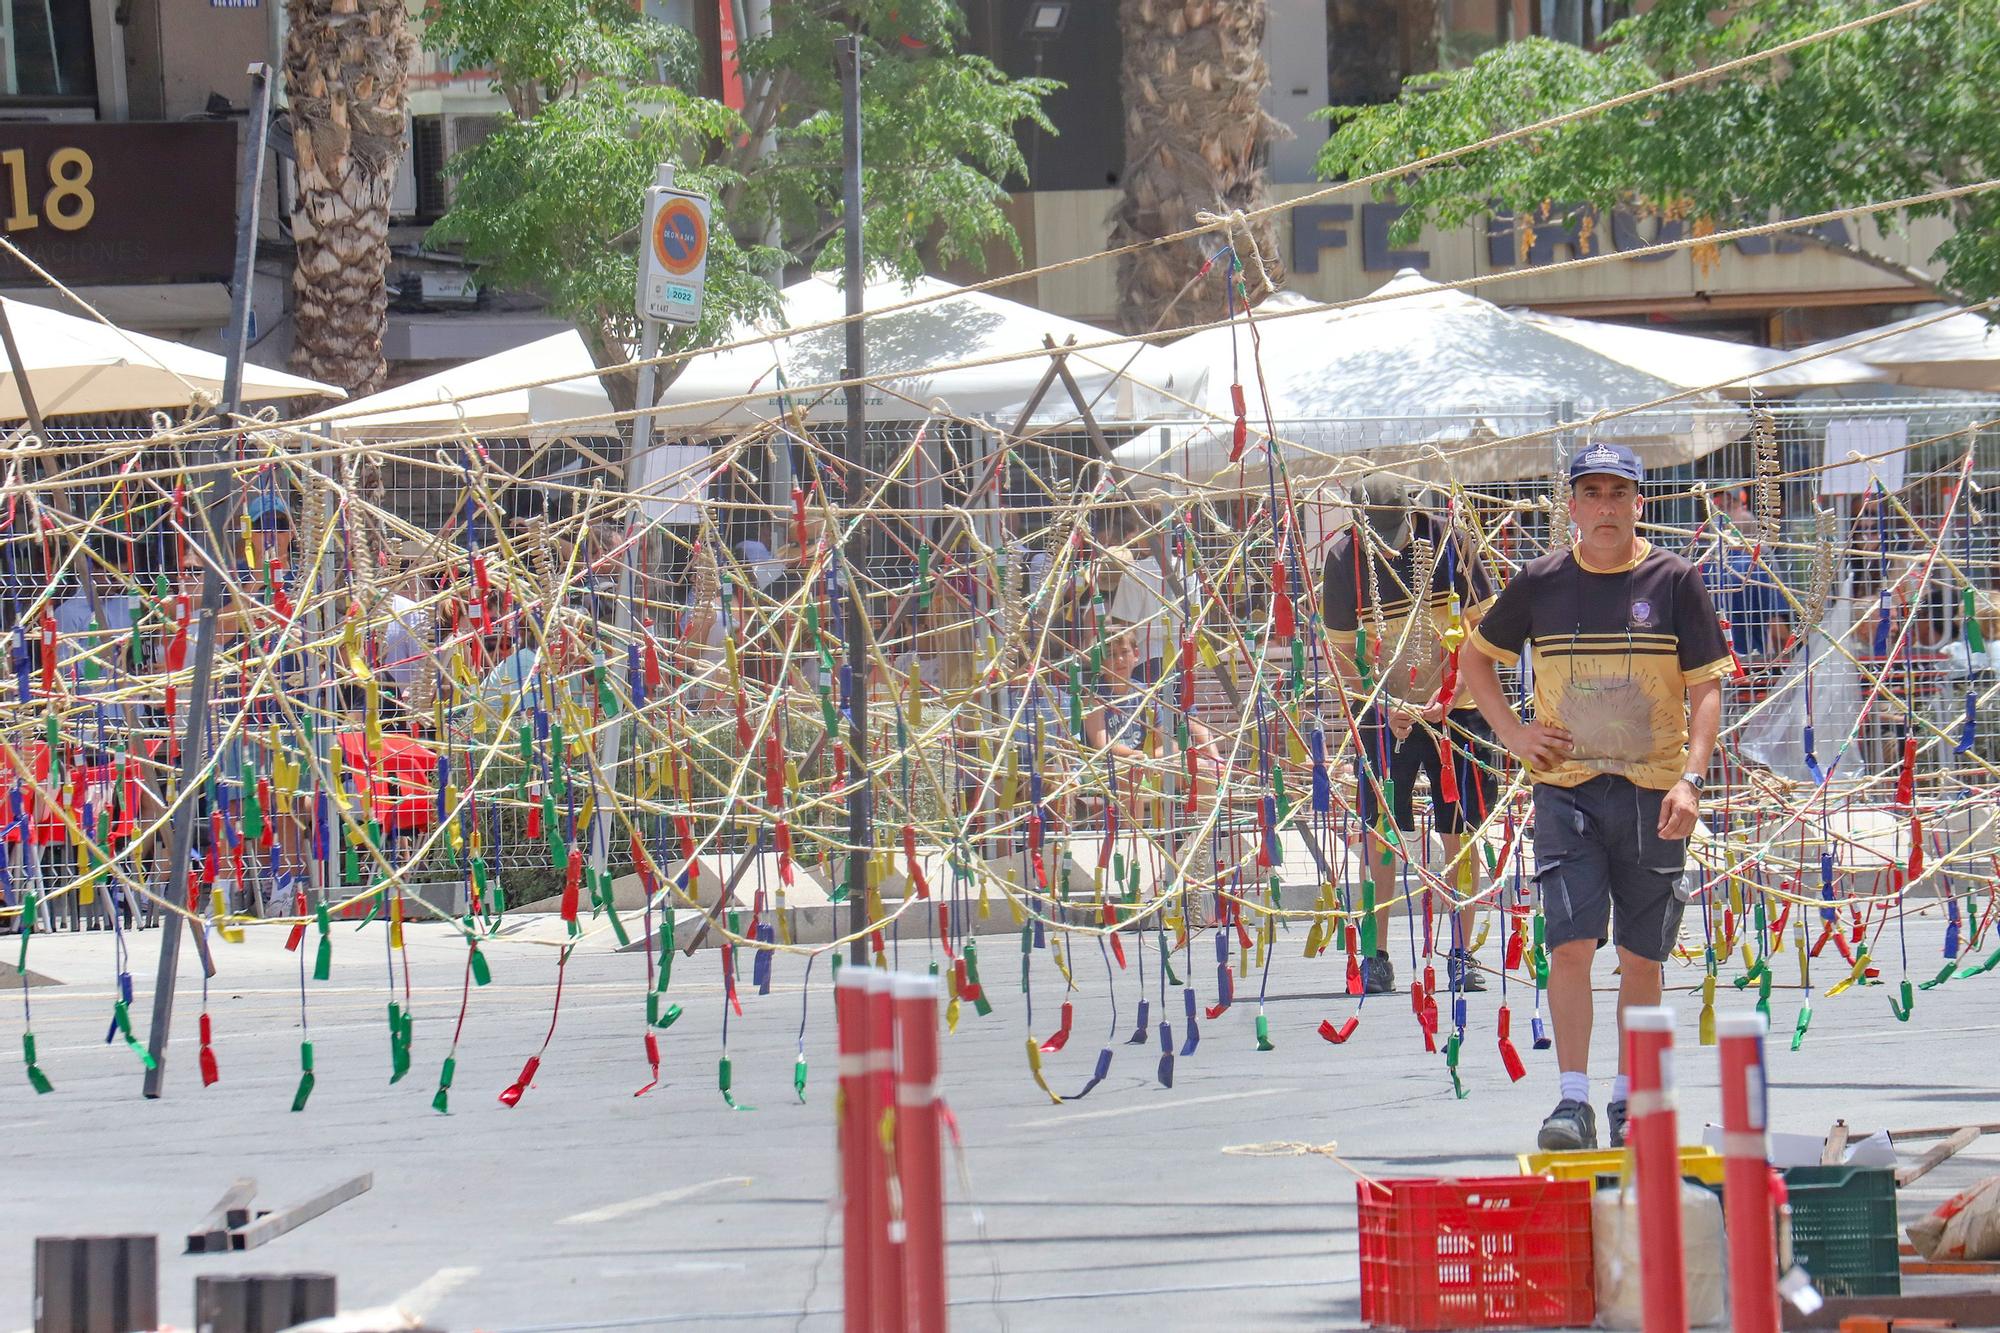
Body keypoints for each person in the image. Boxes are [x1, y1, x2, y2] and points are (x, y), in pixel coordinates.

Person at [1461, 442, 1730, 1151]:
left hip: (1654, 793)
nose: (1606, 506)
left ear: (1640, 502)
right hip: (1567, 791)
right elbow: (1476, 658)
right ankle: (1572, 1100)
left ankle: (1630, 1099)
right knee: (1571, 944)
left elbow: (1707, 686)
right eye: (1593, 492)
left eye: (1620, 492)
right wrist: (1513, 733)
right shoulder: (1539, 581)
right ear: (1572, 505)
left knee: (1643, 956)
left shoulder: (1674, 581)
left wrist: (1692, 777)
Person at [1322, 476, 1499, 995]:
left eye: (1393, 528)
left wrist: (1450, 693)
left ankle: (1464, 953)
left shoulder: (1450, 543)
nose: (1385, 539)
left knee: (1460, 830)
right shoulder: (1342, 562)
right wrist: (1383, 704)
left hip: (1458, 708)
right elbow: (1340, 658)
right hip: (1384, 711)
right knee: (1380, 834)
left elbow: (1484, 635)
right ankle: (1377, 955)